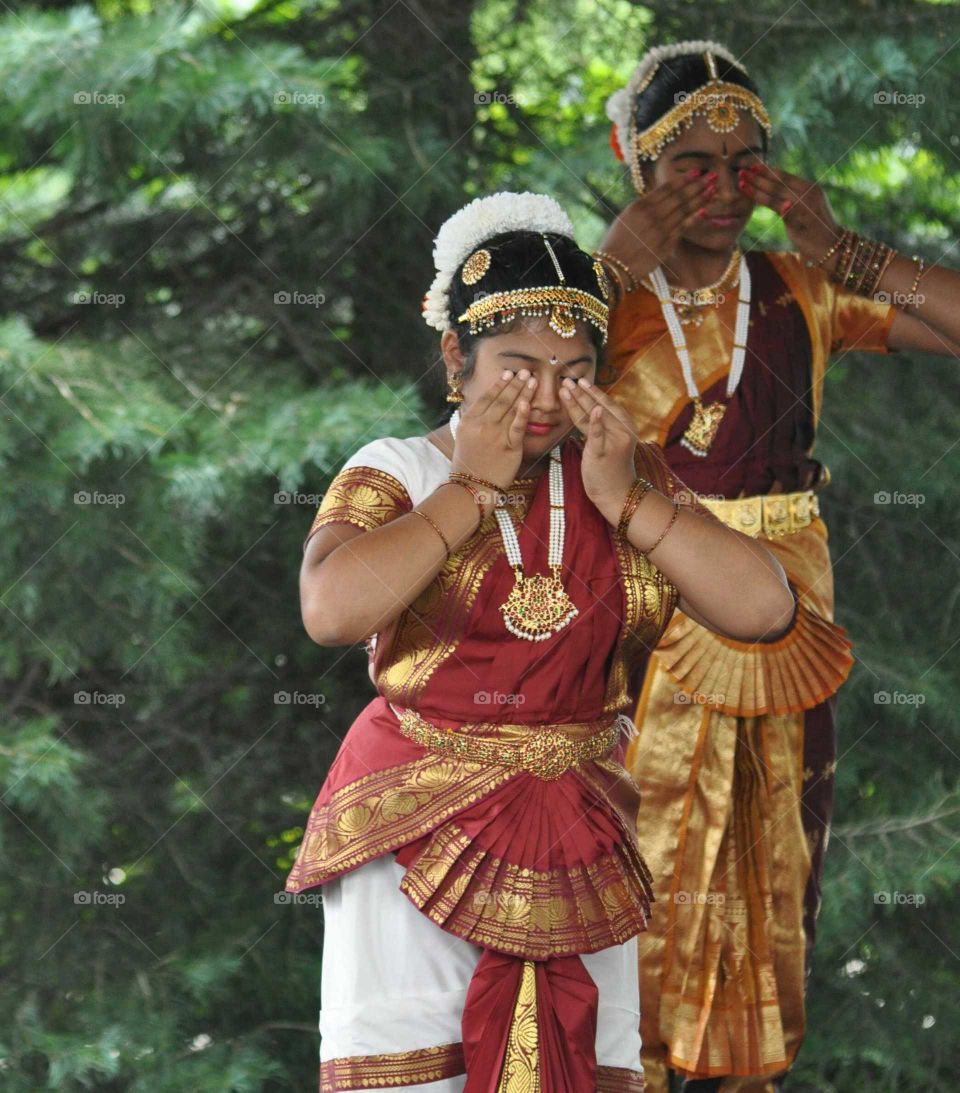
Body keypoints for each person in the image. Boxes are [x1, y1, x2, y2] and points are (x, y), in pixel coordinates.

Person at [284, 191, 796, 1091]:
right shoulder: (400, 467)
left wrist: (631, 502)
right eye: (518, 367)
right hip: (416, 826)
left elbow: (765, 609)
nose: (548, 397)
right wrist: (469, 491)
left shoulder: (621, 476)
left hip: (579, 835)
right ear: (457, 354)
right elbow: (330, 611)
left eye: (574, 369)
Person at [593, 39, 960, 1093]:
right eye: (687, 167)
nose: (718, 188)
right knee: (641, 868)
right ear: (633, 161)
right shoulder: (590, 298)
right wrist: (612, 264)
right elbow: (491, 408)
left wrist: (845, 249)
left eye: (742, 161)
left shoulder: (800, 288)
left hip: (786, 640)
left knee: (774, 871)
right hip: (641, 643)